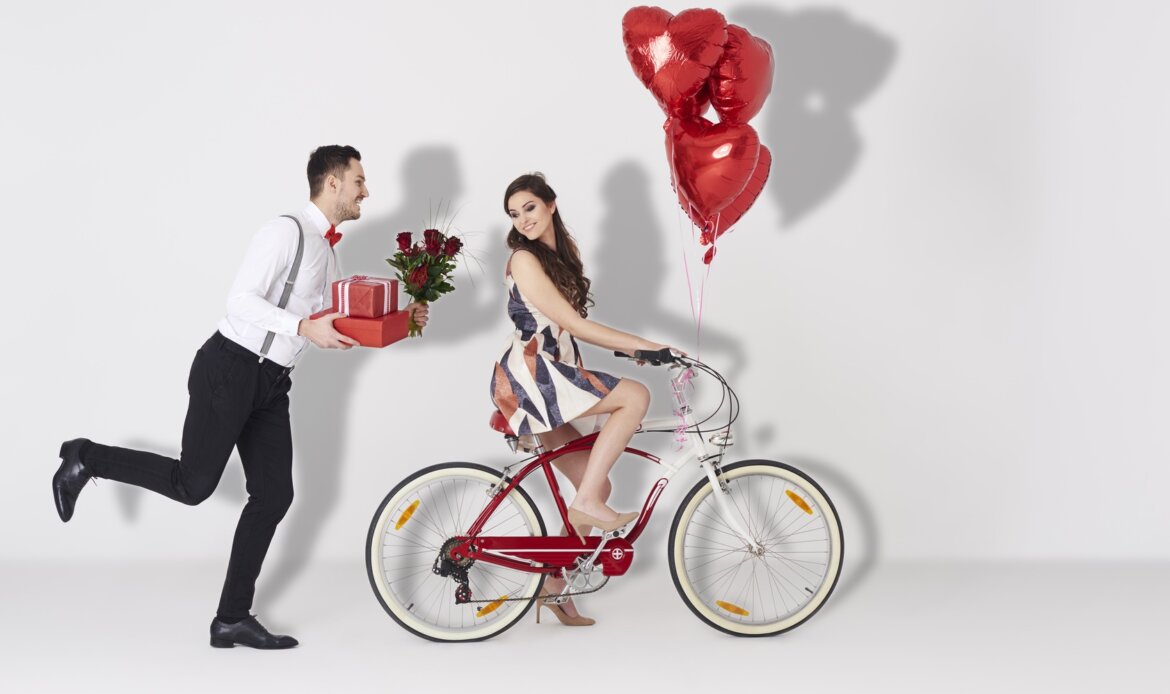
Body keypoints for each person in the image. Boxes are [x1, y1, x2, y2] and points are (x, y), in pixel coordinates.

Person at [51, 145, 428, 649]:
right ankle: (84, 456)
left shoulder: (327, 251)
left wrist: (406, 320)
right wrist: (300, 325)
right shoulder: (284, 231)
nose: (367, 191)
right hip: (230, 367)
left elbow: (333, 327)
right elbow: (240, 301)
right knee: (194, 485)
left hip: (272, 383)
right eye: (360, 180)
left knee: (274, 494)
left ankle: (231, 617)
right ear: (332, 182)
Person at [489, 172, 674, 626]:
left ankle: (553, 585)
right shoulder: (524, 260)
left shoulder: (555, 257)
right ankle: (586, 504)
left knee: (599, 484)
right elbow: (578, 324)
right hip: (535, 376)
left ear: (551, 205)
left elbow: (570, 329)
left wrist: (642, 349)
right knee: (634, 396)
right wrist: (645, 347)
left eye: (529, 207)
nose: (523, 219)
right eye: (515, 213)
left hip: (552, 374)